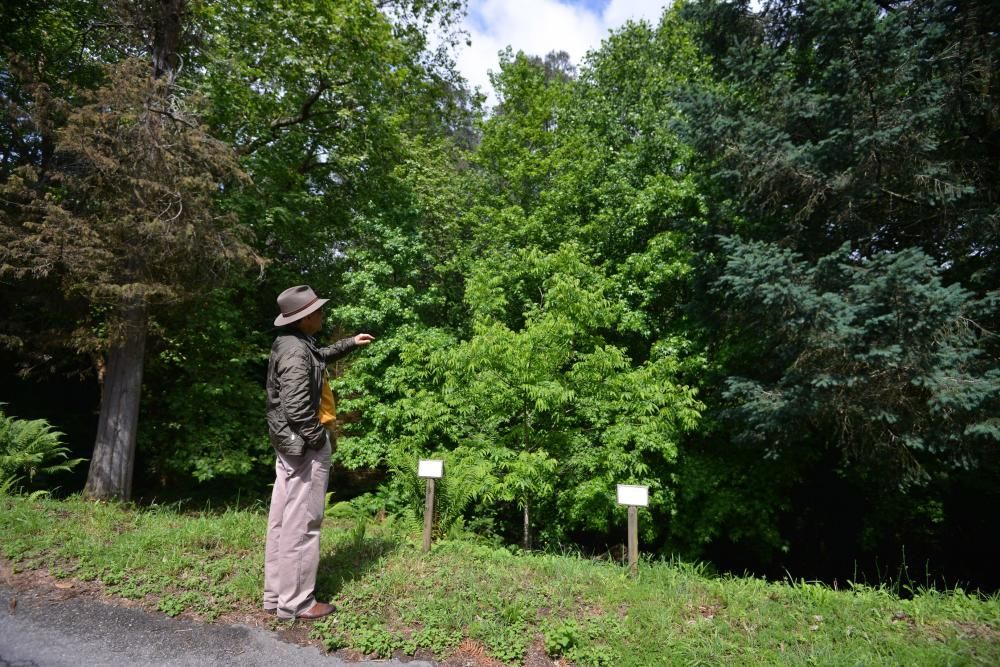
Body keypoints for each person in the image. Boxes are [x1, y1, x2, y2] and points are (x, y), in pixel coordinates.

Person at [263, 284, 374, 620]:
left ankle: (276, 596)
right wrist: (318, 439)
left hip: (288, 444)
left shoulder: (294, 344)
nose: (323, 314)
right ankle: (296, 603)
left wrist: (349, 344)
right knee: (304, 523)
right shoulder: (296, 352)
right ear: (305, 317)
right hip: (304, 445)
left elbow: (319, 358)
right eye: (318, 310)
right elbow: (296, 408)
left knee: (283, 520)